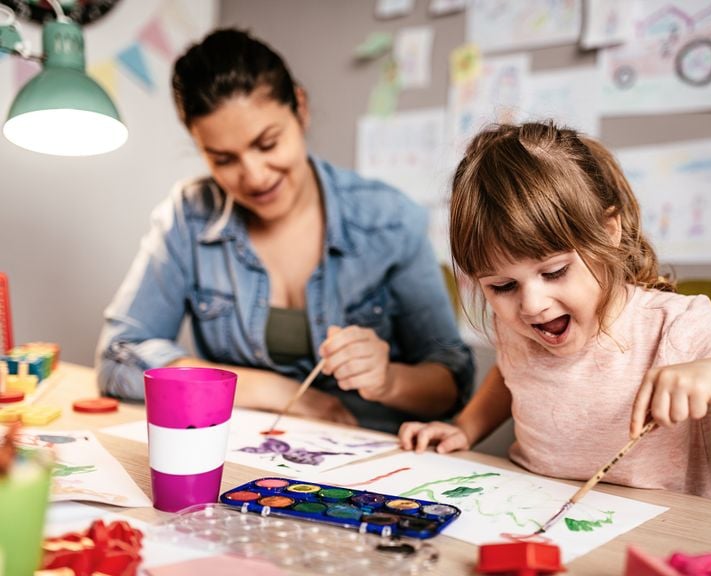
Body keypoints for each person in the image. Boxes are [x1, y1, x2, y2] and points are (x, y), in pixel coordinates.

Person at [399, 122, 711, 497]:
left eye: (554, 271)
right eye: (503, 285)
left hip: (655, 540)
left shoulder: (675, 326)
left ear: (608, 232)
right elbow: (510, 374)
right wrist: (466, 427)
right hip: (536, 519)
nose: (531, 304)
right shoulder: (515, 325)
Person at [95, 28, 473, 434]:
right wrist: (280, 393)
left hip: (374, 462)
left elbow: (452, 384)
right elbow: (119, 358)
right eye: (223, 159)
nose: (254, 176)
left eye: (268, 143)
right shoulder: (189, 216)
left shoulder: (389, 218)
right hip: (247, 456)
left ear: (301, 109)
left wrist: (389, 380)